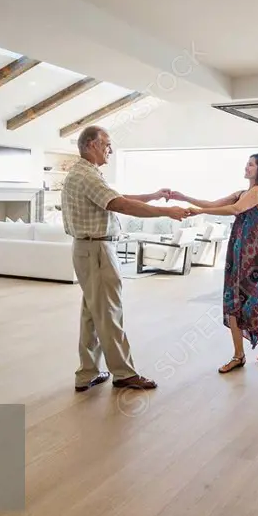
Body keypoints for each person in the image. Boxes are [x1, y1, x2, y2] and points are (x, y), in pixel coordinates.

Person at [62, 125, 190, 392]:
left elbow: (117, 197)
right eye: (107, 144)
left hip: (88, 249)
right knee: (109, 313)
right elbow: (120, 205)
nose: (111, 149)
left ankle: (87, 373)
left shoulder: (85, 173)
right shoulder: (86, 175)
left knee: (92, 314)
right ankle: (124, 373)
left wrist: (153, 196)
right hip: (97, 251)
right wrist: (166, 213)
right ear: (91, 145)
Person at [168, 153, 258, 373]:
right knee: (233, 302)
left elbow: (234, 210)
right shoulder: (241, 193)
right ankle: (238, 355)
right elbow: (213, 204)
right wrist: (183, 197)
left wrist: (201, 211)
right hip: (236, 252)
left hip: (255, 256)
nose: (246, 167)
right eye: (247, 163)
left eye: (251, 164)